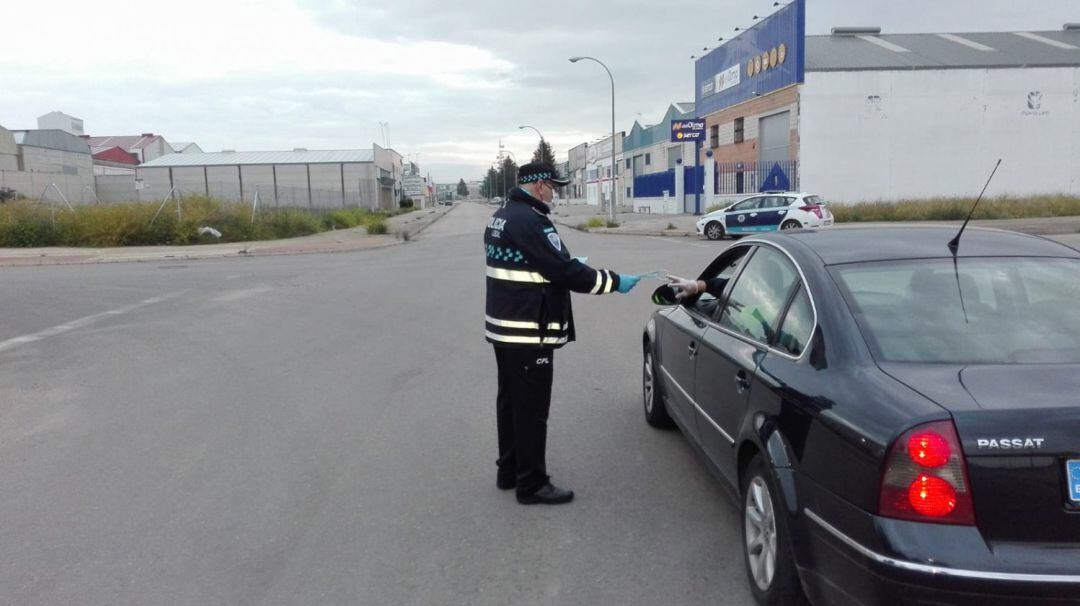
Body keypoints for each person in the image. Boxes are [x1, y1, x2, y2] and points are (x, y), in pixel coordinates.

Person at [484, 162, 640, 505]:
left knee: (510, 404)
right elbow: (563, 270)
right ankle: (531, 484)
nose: (555, 192)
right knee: (531, 410)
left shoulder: (503, 215)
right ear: (539, 185)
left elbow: (528, 264)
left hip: (505, 328)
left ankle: (508, 470)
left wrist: (562, 263)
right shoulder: (531, 220)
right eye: (553, 186)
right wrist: (613, 281)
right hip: (528, 331)